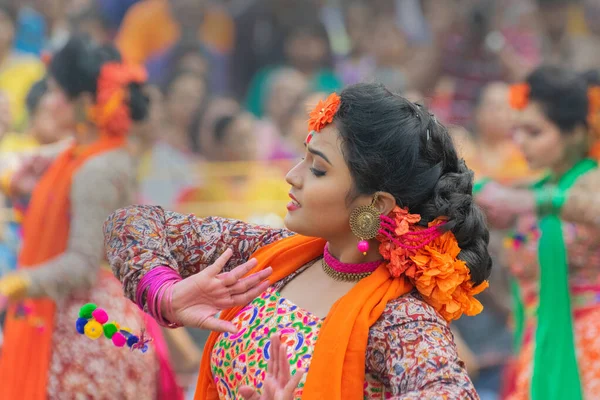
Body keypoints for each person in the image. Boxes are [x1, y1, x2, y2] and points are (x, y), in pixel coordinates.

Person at [104, 83, 492, 399]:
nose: (292, 176)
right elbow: (132, 223)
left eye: (318, 169)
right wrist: (164, 293)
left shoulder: (398, 318)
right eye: (302, 158)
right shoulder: (268, 256)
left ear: (375, 205)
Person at [0, 36, 180, 399]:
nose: (47, 102)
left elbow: (81, 265)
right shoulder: (80, 155)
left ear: (83, 103)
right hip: (82, 321)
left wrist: (11, 285)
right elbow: (18, 170)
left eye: (54, 92)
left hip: (89, 331)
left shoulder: (97, 168)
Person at [476, 66, 600, 400]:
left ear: (575, 132)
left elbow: (590, 206)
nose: (521, 143)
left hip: (589, 347)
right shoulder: (538, 187)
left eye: (534, 132)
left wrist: (531, 200)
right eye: (517, 131)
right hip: (539, 343)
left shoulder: (589, 182)